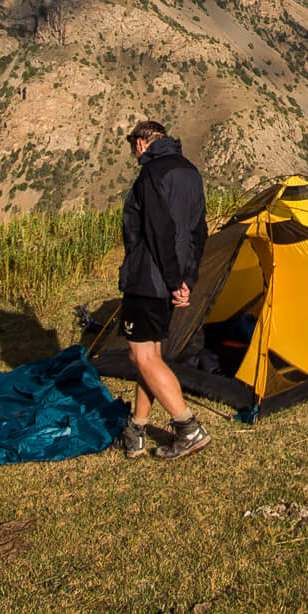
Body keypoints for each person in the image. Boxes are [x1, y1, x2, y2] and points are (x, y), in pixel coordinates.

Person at [117, 119, 210, 461]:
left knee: (141, 356)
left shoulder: (151, 175)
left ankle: (187, 427)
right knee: (148, 357)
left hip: (148, 278)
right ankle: (136, 430)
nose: (134, 155)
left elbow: (157, 231)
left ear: (142, 143)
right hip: (172, 277)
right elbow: (199, 231)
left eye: (133, 148)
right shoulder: (189, 172)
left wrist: (172, 280)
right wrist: (187, 279)